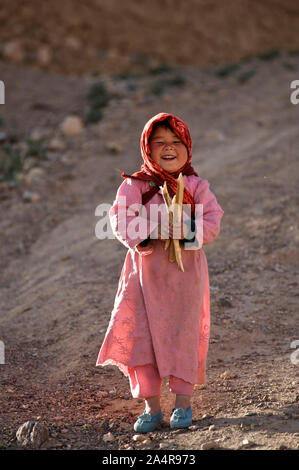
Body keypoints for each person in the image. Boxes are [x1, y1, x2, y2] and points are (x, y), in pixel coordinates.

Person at [96, 112, 224, 433]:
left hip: (185, 278)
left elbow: (212, 222)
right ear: (147, 149)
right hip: (143, 278)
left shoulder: (195, 185)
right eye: (160, 142)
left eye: (176, 141)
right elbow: (120, 220)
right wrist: (155, 229)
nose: (169, 148)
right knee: (143, 338)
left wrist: (181, 229)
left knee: (183, 334)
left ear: (187, 146)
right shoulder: (135, 185)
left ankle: (183, 404)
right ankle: (151, 407)